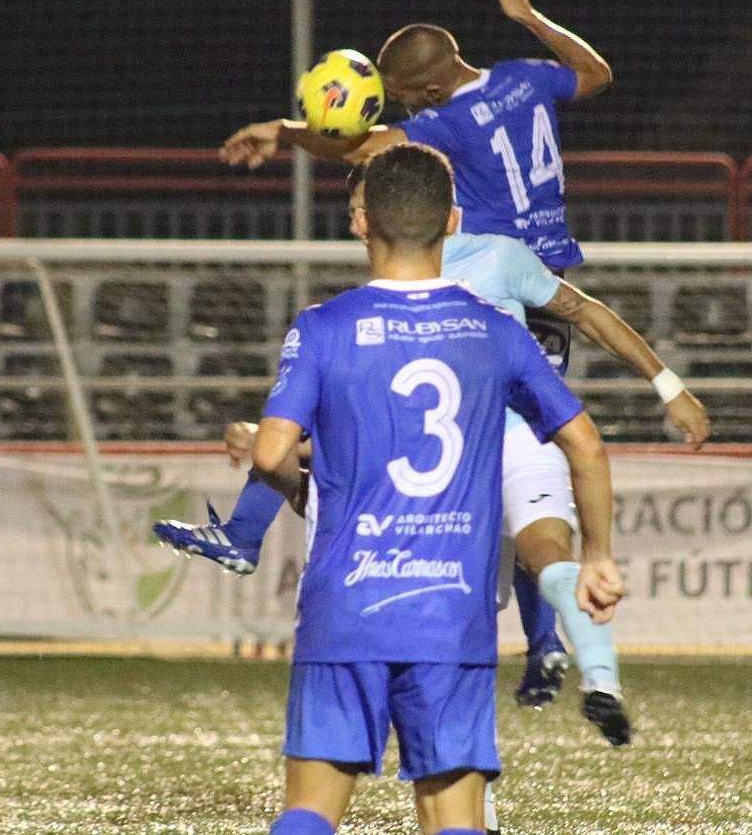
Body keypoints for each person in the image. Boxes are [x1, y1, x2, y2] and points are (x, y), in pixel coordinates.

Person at [161, 162, 711, 753]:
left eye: (359, 210)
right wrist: (668, 387)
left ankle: (477, 812)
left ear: (377, 219)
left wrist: (284, 445)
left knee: (453, 621)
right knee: (548, 556)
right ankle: (599, 676)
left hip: (451, 464)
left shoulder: (357, 311)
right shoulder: (496, 264)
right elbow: (584, 323)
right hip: (522, 436)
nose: (355, 223)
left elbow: (384, 419)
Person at [220, 0, 613, 704]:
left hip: (484, 296)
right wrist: (531, 18)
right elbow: (596, 73)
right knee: (526, 473)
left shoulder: (447, 122)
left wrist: (284, 130)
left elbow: (362, 150)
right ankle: (546, 648)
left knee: (444, 453)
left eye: (400, 96)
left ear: (425, 93)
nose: (399, 108)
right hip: (540, 296)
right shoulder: (524, 79)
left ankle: (451, 617)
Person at [255, 143, 622, 835]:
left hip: (345, 607)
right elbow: (584, 443)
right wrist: (599, 557)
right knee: (457, 820)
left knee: (310, 808)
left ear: (364, 226)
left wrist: (298, 479)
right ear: (453, 222)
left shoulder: (324, 327)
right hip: (449, 614)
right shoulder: (495, 329)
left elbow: (270, 453)